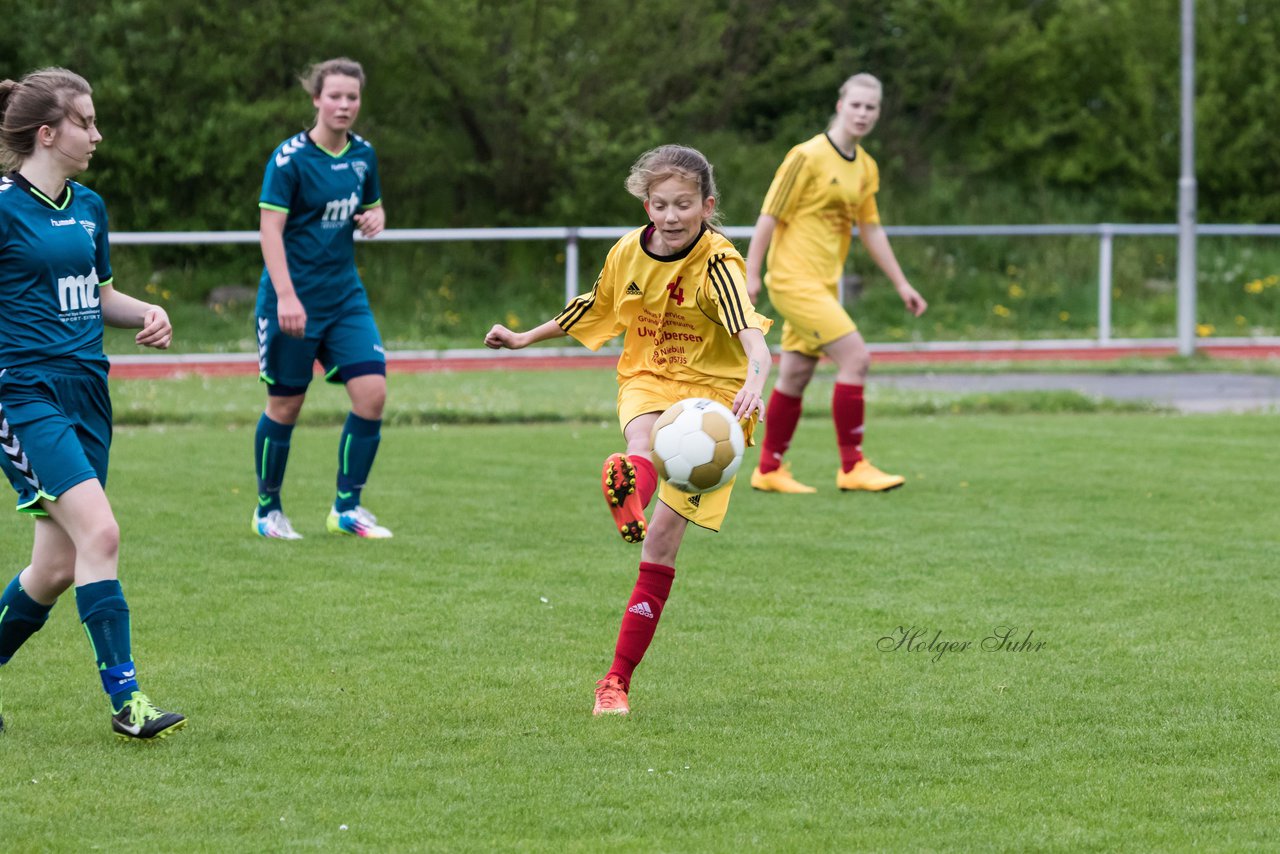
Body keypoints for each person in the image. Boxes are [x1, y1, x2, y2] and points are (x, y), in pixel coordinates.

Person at [485, 145, 772, 716]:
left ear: (707, 206)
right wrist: (522, 338)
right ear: (647, 204)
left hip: (714, 399)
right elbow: (593, 305)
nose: (670, 217)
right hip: (647, 377)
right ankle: (630, 493)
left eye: (684, 205)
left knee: (662, 546)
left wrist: (756, 384)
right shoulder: (627, 250)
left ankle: (617, 679)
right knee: (641, 441)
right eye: (660, 205)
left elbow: (754, 340)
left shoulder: (720, 262)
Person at [0, 68, 185, 739]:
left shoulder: (90, 207)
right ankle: (129, 704)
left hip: (88, 394)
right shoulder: (1, 207)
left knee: (51, 570)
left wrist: (148, 311)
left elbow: (98, 295)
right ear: (47, 133)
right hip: (24, 394)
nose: (97, 134)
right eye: (85, 121)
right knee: (100, 535)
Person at [746, 73, 927, 494]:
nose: (863, 113)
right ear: (841, 104)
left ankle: (769, 469)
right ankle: (853, 465)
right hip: (793, 281)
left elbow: (872, 229)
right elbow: (768, 216)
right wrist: (752, 275)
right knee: (856, 358)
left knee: (795, 374)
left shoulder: (865, 167)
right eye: (857, 104)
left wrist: (902, 284)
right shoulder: (806, 156)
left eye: (872, 107)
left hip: (824, 286)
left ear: (878, 113)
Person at [252, 57, 392, 540]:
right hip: (291, 300)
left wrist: (377, 219)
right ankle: (267, 510)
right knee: (286, 406)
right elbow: (270, 231)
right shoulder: (289, 159)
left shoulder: (363, 155)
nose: (344, 105)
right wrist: (287, 297)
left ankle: (346, 509)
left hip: (344, 296)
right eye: (334, 96)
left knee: (372, 393)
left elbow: (371, 208)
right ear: (316, 99)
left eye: (352, 97)